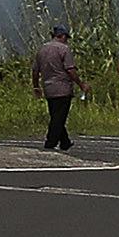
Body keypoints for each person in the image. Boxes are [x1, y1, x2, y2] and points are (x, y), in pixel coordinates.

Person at [33, 23, 82, 151]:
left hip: (49, 88)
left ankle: (65, 141)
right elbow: (70, 70)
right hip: (63, 88)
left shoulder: (42, 49)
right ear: (62, 36)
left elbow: (35, 71)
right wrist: (81, 84)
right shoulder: (64, 49)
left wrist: (36, 87)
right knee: (59, 117)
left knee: (56, 115)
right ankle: (51, 141)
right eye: (66, 37)